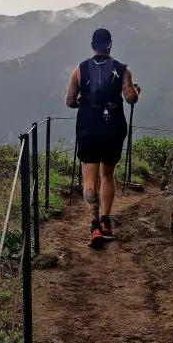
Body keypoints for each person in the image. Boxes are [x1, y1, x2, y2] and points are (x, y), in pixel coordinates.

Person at [64, 27, 140, 249]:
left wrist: (83, 103)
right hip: (113, 128)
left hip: (88, 127)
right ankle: (106, 222)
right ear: (110, 45)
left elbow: (69, 101)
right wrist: (136, 91)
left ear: (92, 46)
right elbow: (130, 98)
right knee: (108, 176)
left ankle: (94, 225)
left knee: (89, 179)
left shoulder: (79, 70)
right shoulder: (123, 70)